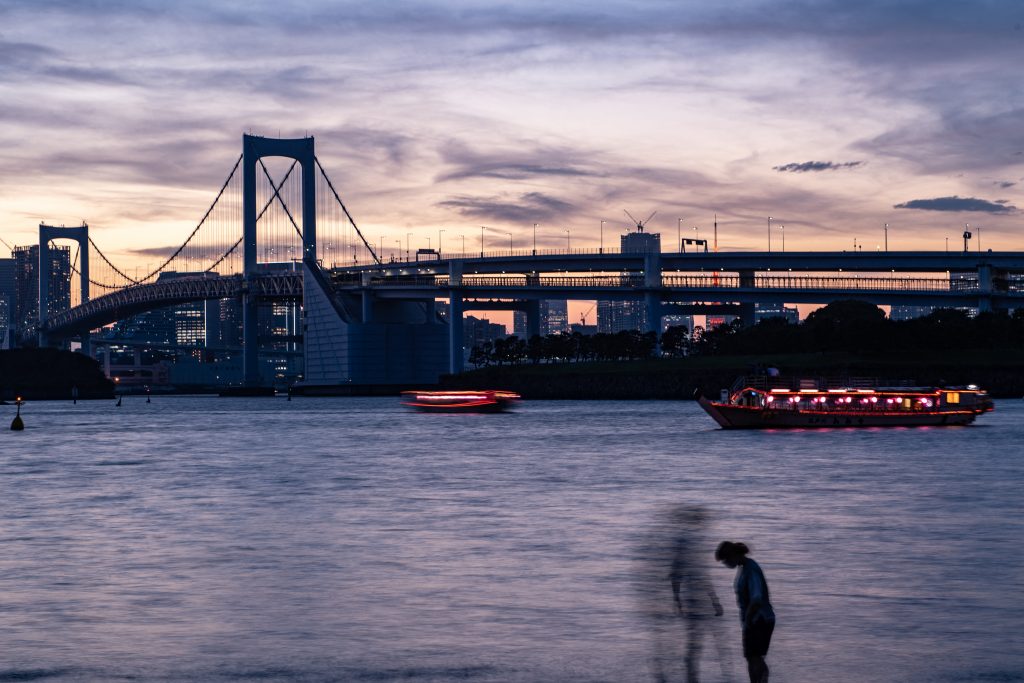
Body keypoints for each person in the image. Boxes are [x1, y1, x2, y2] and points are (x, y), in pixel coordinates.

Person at [715, 541, 775, 683]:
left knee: (754, 658)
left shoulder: (751, 569)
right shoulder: (744, 568)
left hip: (759, 619)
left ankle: (762, 679)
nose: (726, 564)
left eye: (726, 560)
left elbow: (756, 599)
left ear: (734, 555)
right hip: (755, 620)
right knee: (752, 657)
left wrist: (748, 619)